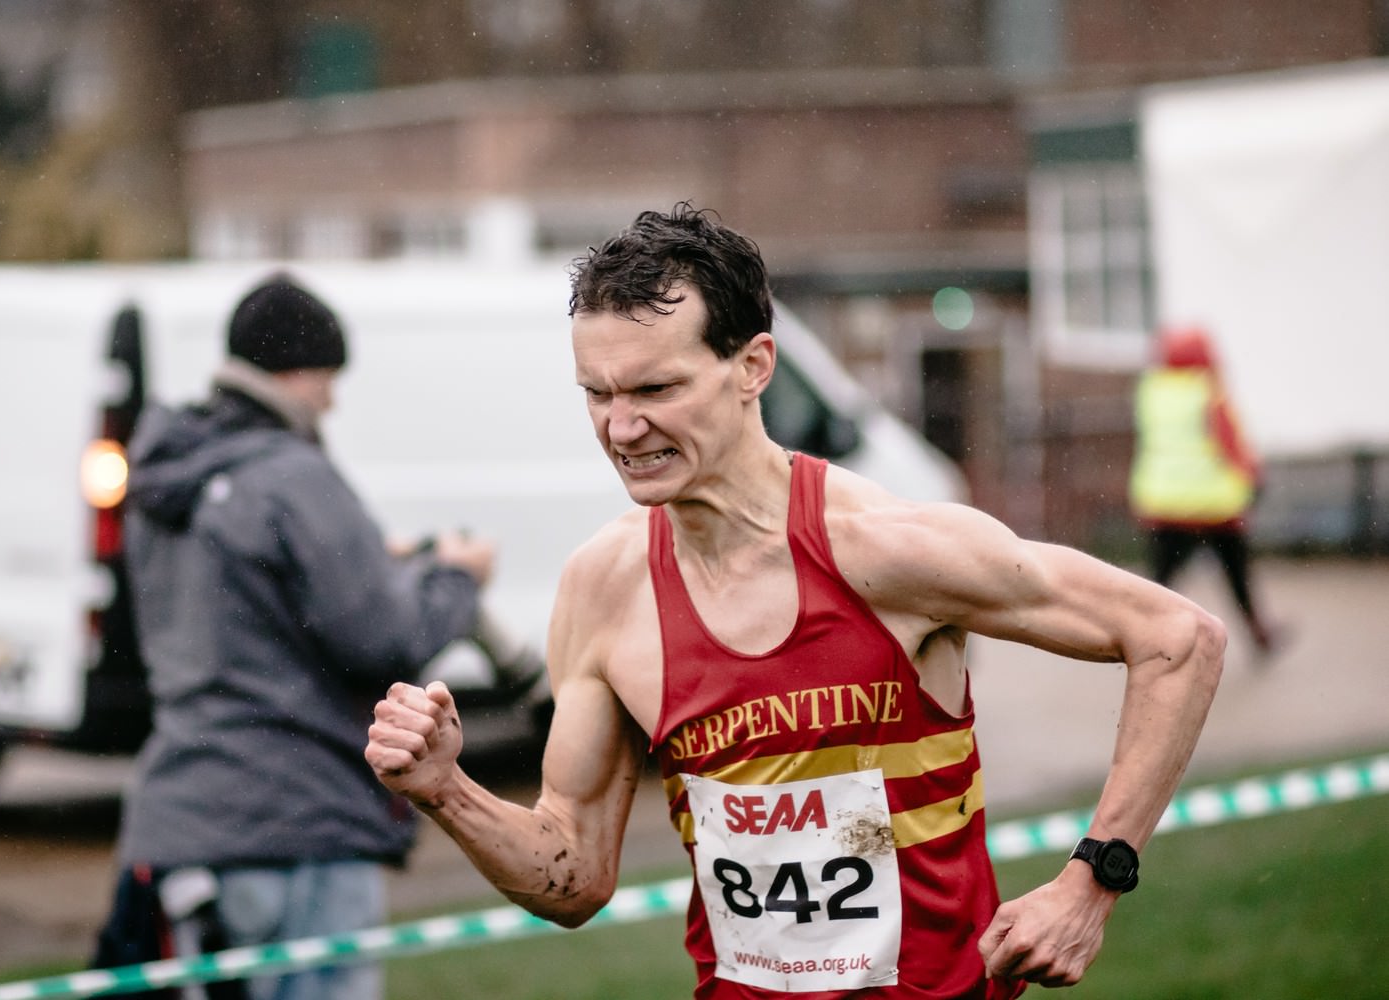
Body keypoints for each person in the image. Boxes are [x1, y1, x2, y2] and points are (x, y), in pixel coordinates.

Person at [365, 205, 1225, 998]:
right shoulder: (605, 589)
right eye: (599, 394)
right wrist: (447, 789)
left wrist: (1091, 884)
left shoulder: (884, 548)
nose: (620, 430)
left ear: (753, 367)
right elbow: (575, 876)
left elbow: (1176, 637)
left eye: (655, 390)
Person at [101, 273, 496, 1000]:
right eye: (328, 381)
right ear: (297, 371)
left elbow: (248, 609)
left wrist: (386, 564)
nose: (332, 401)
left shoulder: (161, 479)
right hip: (298, 824)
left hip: (181, 824)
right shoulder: (295, 477)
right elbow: (385, 639)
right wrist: (457, 579)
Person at [1129, 324, 1279, 655]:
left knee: (1158, 582)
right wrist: (1254, 476)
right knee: (1237, 573)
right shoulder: (1208, 393)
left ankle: (1135, 634)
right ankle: (1257, 631)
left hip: (1165, 503)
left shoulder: (1151, 391)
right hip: (1214, 506)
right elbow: (1231, 445)